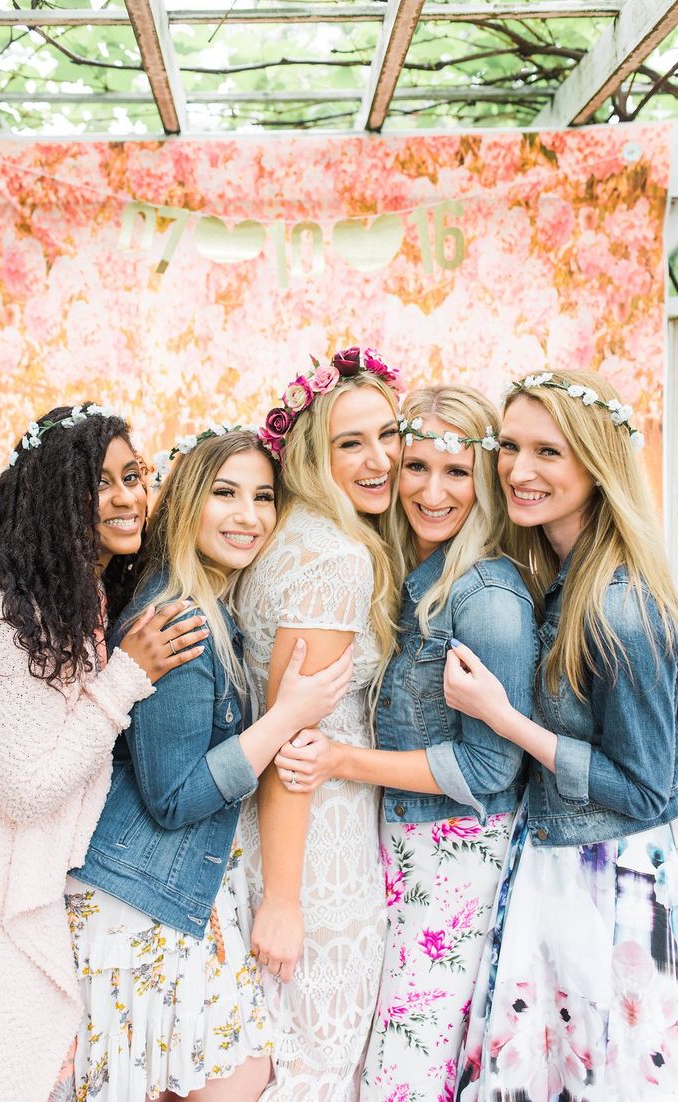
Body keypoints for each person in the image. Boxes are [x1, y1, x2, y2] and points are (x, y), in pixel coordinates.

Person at [67, 428, 353, 1102]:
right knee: (231, 1078)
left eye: (262, 497)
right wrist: (287, 713)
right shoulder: (179, 619)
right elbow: (174, 797)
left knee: (223, 1077)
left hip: (175, 892)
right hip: (137, 900)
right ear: (188, 500)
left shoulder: (210, 605)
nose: (248, 515)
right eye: (225, 493)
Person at [274, 386, 538, 1101]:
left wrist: (340, 760)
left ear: (484, 482)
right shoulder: (406, 576)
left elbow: (488, 766)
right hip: (401, 843)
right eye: (416, 465)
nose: (430, 489)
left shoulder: (486, 594)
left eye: (456, 472)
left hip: (456, 854)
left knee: (405, 1074)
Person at [0, 404, 207, 1102]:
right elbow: (26, 788)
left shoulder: (70, 596)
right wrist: (128, 675)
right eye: (103, 483)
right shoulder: (8, 610)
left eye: (135, 477)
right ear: (58, 494)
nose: (129, 499)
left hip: (11, 891)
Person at [440, 370, 678, 1101]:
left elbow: (648, 788)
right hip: (556, 864)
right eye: (510, 447)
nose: (519, 470)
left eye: (549, 452)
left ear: (596, 465)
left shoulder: (619, 604)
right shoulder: (562, 576)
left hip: (608, 883)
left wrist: (502, 718)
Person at [233, 347, 402, 1101]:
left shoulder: (284, 533)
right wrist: (287, 900)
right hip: (315, 846)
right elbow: (290, 742)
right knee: (316, 1067)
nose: (379, 460)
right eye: (350, 443)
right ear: (310, 451)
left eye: (388, 435)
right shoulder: (336, 559)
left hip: (276, 837)